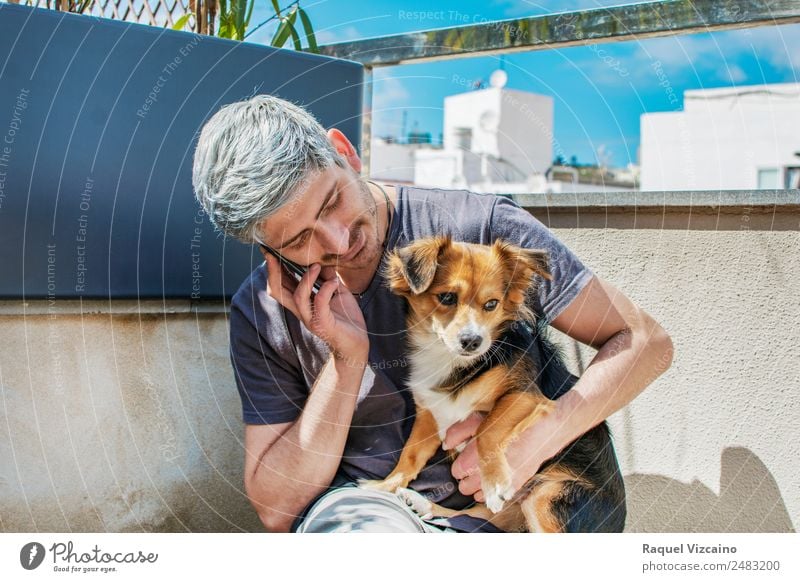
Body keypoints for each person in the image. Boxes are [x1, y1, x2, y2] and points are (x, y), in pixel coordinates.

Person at [191, 94, 674, 533]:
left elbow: (645, 343)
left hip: (515, 519)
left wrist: (535, 443)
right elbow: (277, 508)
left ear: (345, 152)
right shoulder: (262, 311)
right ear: (268, 250)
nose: (338, 241)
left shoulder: (479, 232)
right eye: (298, 240)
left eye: (333, 200)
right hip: (376, 519)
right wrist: (346, 359)